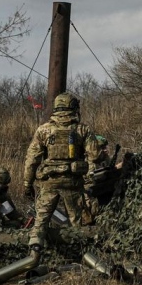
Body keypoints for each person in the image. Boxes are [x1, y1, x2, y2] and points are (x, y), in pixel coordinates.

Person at [23, 91, 103, 251]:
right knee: (76, 222)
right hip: (72, 183)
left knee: (41, 220)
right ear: (74, 108)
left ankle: (35, 250)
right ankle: (80, 254)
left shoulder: (43, 130)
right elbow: (95, 155)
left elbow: (32, 160)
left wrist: (27, 183)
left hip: (48, 183)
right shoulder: (82, 130)